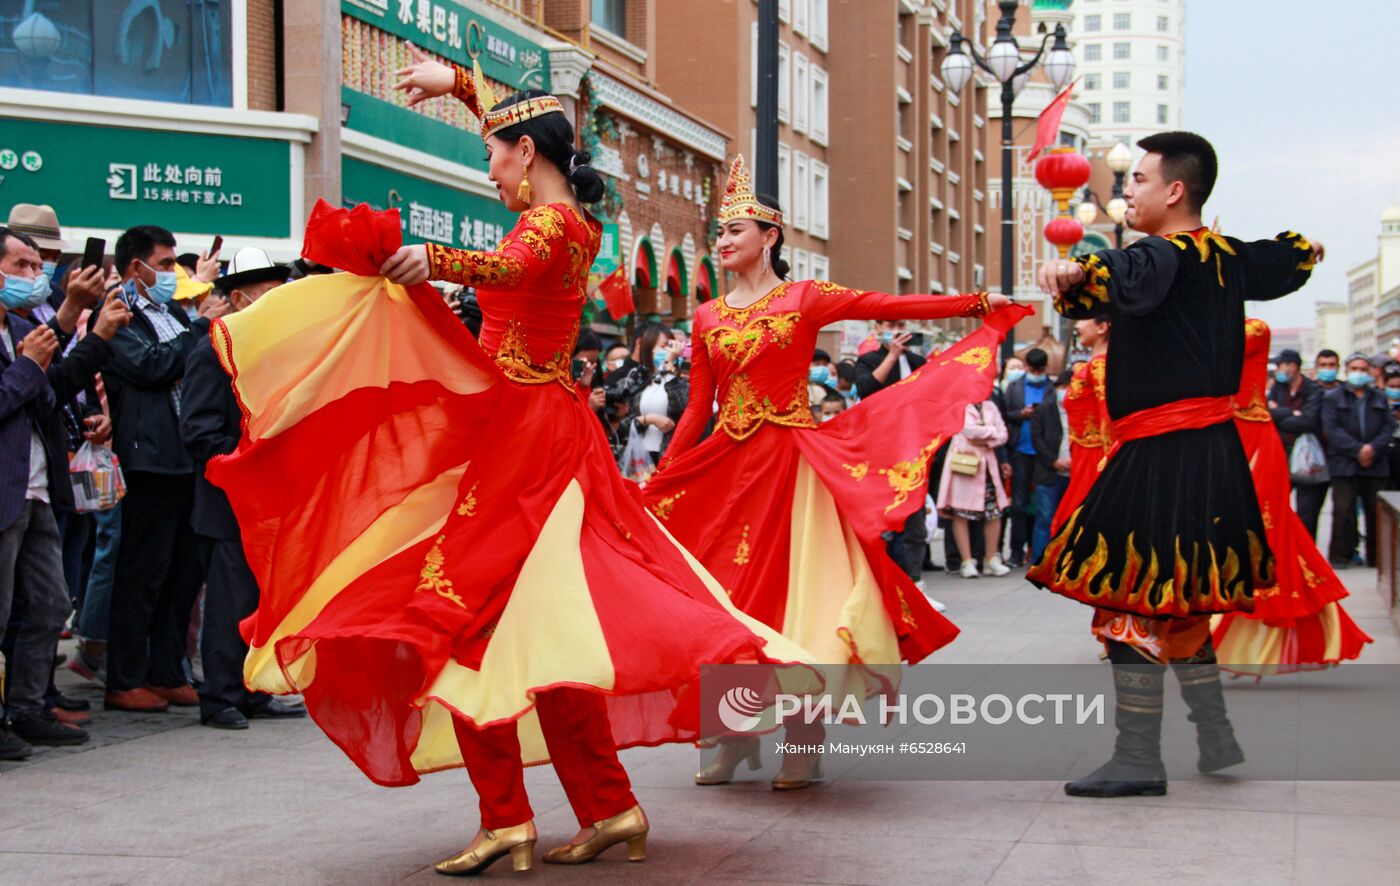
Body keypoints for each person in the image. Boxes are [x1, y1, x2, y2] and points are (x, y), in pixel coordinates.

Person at [208, 56, 813, 875]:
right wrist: (458, 85)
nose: (490, 171)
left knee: (455, 624)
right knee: (535, 636)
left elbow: (511, 267)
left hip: (524, 441)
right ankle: (609, 808)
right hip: (532, 430)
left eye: (495, 156)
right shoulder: (562, 210)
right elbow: (516, 152)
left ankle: (510, 819)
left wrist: (436, 257)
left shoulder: (553, 227)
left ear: (527, 154)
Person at [643, 154, 1021, 788]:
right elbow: (697, 410)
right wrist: (665, 476)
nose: (725, 241)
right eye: (720, 232)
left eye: (737, 231)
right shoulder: (706, 316)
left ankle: (802, 739)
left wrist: (977, 301)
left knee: (799, 604)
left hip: (793, 472)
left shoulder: (805, 299)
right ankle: (733, 737)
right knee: (726, 600)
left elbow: (889, 304)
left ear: (770, 236)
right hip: (726, 472)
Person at [1028, 131, 1322, 798]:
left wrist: (1072, 273)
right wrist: (1312, 246)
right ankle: (1216, 736)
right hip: (1214, 457)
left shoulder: (1158, 254)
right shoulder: (1227, 258)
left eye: (1137, 180)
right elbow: (1287, 258)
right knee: (1180, 598)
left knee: (1123, 591)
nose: (1126, 191)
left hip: (1161, 454)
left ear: (1174, 190)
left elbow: (1116, 276)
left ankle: (1137, 757)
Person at [102, 225, 231, 713]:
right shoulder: (118, 314)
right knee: (142, 572)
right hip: (148, 459)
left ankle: (166, 668)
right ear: (134, 267)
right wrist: (200, 327)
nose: (169, 273)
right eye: (162, 264)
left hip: (183, 459)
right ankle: (125, 675)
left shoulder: (173, 311)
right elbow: (150, 366)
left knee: (181, 574)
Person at [180, 247, 306, 730]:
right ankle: (220, 696)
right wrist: (243, 466)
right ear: (237, 299)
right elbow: (198, 431)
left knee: (261, 601)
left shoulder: (273, 352)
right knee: (229, 603)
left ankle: (253, 689)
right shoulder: (213, 350)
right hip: (230, 500)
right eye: (268, 298)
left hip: (271, 499)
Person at [1211, 319, 1370, 673]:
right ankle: (1226, 639)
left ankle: (1244, 638)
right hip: (1223, 437)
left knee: (1264, 535)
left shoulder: (1250, 329)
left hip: (1253, 442)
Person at [1321, 352, 1394, 569]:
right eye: (1354, 369)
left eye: (1363, 369)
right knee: (1344, 512)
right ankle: (1341, 557)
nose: (1359, 374)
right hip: (1345, 464)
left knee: (1375, 514)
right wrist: (1357, 450)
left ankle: (1376, 558)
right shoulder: (1332, 397)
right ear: (1346, 370)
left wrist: (1372, 448)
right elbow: (1332, 430)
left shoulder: (1379, 397)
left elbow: (1388, 427)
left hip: (1376, 463)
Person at [936, 397, 1012, 579]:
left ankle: (990, 558)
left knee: (994, 512)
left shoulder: (991, 405)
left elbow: (1003, 434)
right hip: (965, 463)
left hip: (987, 464)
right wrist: (991, 433)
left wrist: (987, 440)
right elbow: (968, 430)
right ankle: (967, 561)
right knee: (961, 512)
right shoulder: (960, 404)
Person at [1050, 316, 1111, 535]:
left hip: (1095, 458)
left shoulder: (1100, 366)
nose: (1077, 325)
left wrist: (1110, 461)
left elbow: (1108, 416)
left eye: (1084, 319)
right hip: (1083, 457)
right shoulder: (1092, 365)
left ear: (1102, 327)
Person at [1268, 347, 1326, 538]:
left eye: (1280, 365)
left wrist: (1279, 413)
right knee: (1275, 506)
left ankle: (1306, 556)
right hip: (1281, 452)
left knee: (1307, 512)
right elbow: (1267, 414)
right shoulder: (1278, 387)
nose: (1277, 370)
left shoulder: (1313, 389)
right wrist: (1291, 412)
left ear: (1292, 367)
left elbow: (1309, 421)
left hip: (1307, 455)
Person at [1001, 347, 1050, 568]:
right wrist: (1022, 414)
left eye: (1040, 370)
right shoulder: (1014, 387)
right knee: (1019, 505)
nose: (1036, 373)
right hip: (1020, 451)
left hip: (1044, 455)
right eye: (1033, 369)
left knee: (1042, 505)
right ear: (1027, 367)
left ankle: (1038, 550)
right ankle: (1015, 551)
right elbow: (1005, 414)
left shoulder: (1051, 388)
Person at [1029, 371, 1074, 562]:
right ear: (1056, 389)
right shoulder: (1043, 411)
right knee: (1045, 517)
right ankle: (1040, 559)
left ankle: (1066, 558)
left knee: (1071, 518)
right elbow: (1037, 439)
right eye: (1063, 388)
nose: (1066, 392)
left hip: (1074, 472)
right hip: (1049, 471)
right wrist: (1053, 461)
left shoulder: (1082, 411)